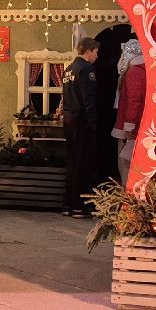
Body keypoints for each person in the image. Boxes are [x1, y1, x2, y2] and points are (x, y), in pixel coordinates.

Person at [61, 37, 100, 217]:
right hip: (81, 121)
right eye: (96, 52)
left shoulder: (68, 69)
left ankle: (68, 204)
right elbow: (88, 97)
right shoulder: (86, 69)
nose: (97, 56)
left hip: (69, 119)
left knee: (72, 162)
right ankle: (79, 205)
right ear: (88, 51)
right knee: (83, 163)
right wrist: (92, 121)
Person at [112, 38, 146, 180]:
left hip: (130, 128)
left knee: (125, 165)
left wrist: (129, 125)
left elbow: (134, 100)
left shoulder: (134, 72)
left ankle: (127, 192)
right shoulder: (141, 71)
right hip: (134, 125)